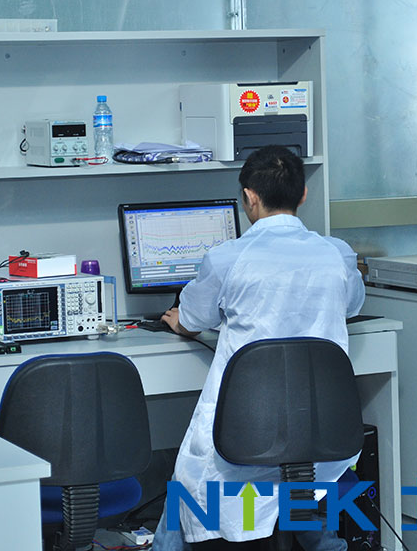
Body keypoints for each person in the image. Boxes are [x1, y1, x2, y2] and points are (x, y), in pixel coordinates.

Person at [152, 146, 365, 550]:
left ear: (249, 197)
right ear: (303, 194)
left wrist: (177, 321)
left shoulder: (226, 258)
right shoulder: (337, 254)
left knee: (184, 488)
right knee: (300, 488)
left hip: (248, 435)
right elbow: (352, 305)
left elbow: (193, 319)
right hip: (321, 433)